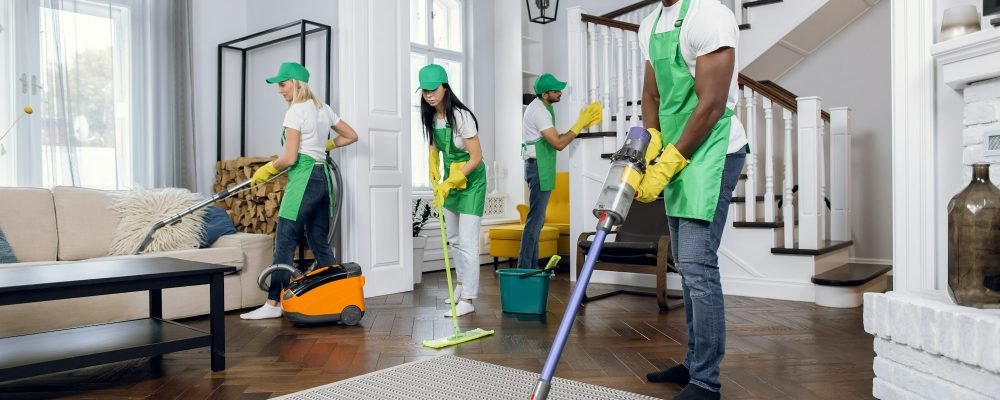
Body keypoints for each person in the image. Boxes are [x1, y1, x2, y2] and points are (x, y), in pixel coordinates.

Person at [635, 0, 748, 399]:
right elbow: (651, 95)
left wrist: (670, 163)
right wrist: (653, 140)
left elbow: (712, 105)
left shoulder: (710, 16)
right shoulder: (649, 25)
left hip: (712, 148)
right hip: (676, 149)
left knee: (698, 264)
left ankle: (706, 381)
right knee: (685, 264)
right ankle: (693, 362)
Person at [240, 62, 358, 320]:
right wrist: (327, 145)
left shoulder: (295, 111)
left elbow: (290, 157)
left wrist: (267, 170)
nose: (280, 90)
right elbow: (351, 135)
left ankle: (273, 304)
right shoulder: (322, 108)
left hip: (303, 180)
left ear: (296, 83)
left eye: (283, 84)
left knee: (284, 242)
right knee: (319, 243)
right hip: (323, 180)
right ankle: (339, 298)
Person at [418, 64, 487, 318]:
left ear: (445, 87)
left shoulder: (461, 116)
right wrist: (433, 167)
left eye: (434, 90)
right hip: (450, 181)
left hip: (471, 183)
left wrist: (450, 182)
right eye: (425, 91)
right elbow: (434, 146)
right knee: (454, 239)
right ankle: (460, 285)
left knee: (468, 243)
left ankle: (468, 299)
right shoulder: (431, 116)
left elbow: (476, 158)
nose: (429, 95)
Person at [517, 73, 601, 269]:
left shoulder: (542, 107)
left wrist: (579, 126)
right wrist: (579, 125)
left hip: (539, 166)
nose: (560, 93)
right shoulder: (539, 111)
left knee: (537, 220)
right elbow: (558, 143)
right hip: (538, 168)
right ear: (545, 94)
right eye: (555, 91)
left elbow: (556, 137)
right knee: (535, 220)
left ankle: (530, 267)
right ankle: (524, 268)